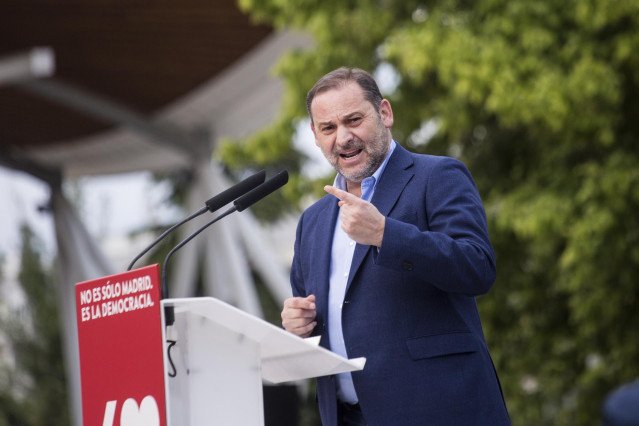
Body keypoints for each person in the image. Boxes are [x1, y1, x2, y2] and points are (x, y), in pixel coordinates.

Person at [281, 67, 510, 426]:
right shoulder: (312, 221)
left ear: (384, 113)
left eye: (353, 120)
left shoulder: (437, 176)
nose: (343, 138)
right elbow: (319, 317)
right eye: (328, 128)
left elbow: (477, 267)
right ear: (315, 135)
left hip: (439, 411)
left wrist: (386, 234)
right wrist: (298, 325)